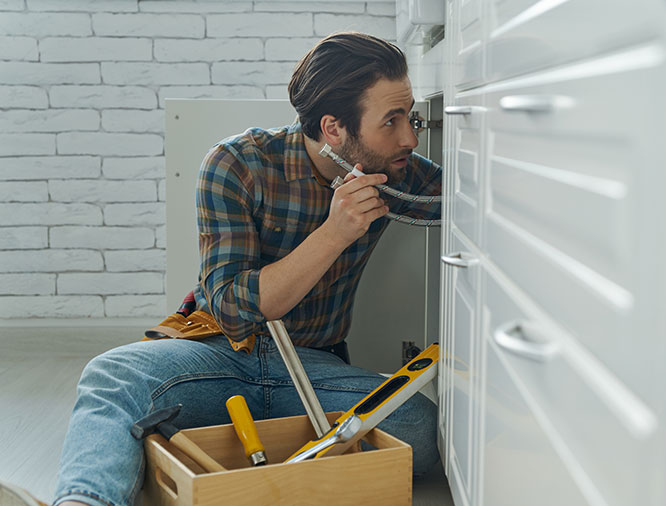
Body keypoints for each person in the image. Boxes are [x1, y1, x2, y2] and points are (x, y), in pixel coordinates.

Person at [49, 31, 441, 506]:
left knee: (418, 426)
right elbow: (234, 309)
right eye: (392, 121)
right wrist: (335, 232)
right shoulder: (236, 163)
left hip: (315, 367)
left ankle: (190, 436)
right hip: (218, 353)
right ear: (334, 127)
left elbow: (473, 200)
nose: (411, 138)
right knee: (113, 376)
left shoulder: (395, 171)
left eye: (410, 116)